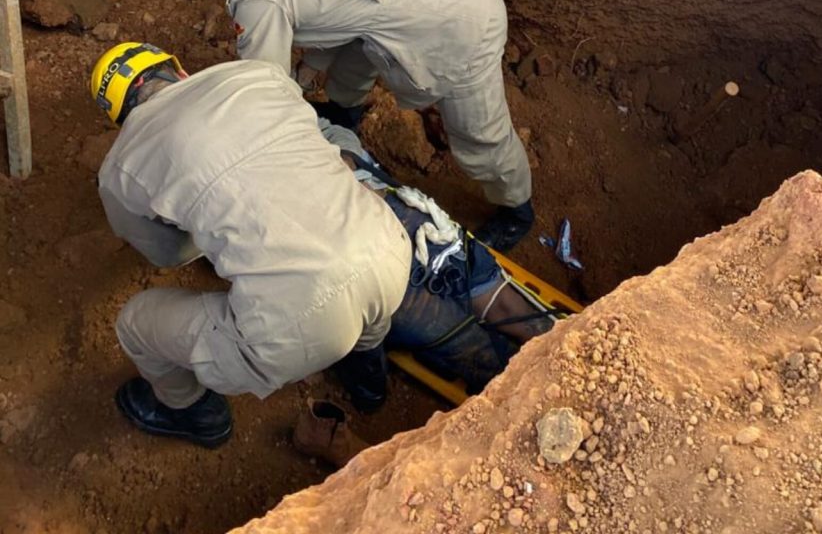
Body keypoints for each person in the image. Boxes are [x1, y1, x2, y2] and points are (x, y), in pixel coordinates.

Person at [90, 42, 553, 449]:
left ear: (124, 118)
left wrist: (207, 216)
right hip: (387, 248)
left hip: (295, 323)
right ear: (180, 71)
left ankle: (196, 415)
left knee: (135, 325)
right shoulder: (254, 75)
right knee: (371, 300)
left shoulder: (120, 167)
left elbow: (168, 254)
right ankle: (369, 384)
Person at [164, 0, 534, 251]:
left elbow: (268, 96)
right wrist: (309, 70)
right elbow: (338, 6)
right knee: (360, 47)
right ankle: (345, 110)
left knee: (480, 135)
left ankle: (517, 209)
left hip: (459, 26)